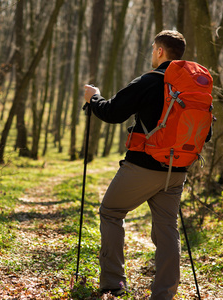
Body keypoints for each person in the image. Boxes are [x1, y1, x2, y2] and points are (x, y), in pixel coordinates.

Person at [83, 30, 192, 299]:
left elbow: (112, 112)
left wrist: (93, 98)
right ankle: (164, 293)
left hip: (143, 167)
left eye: (153, 48)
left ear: (159, 51)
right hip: (177, 170)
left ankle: (113, 283)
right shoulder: (190, 86)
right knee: (167, 229)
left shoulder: (150, 81)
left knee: (111, 211)